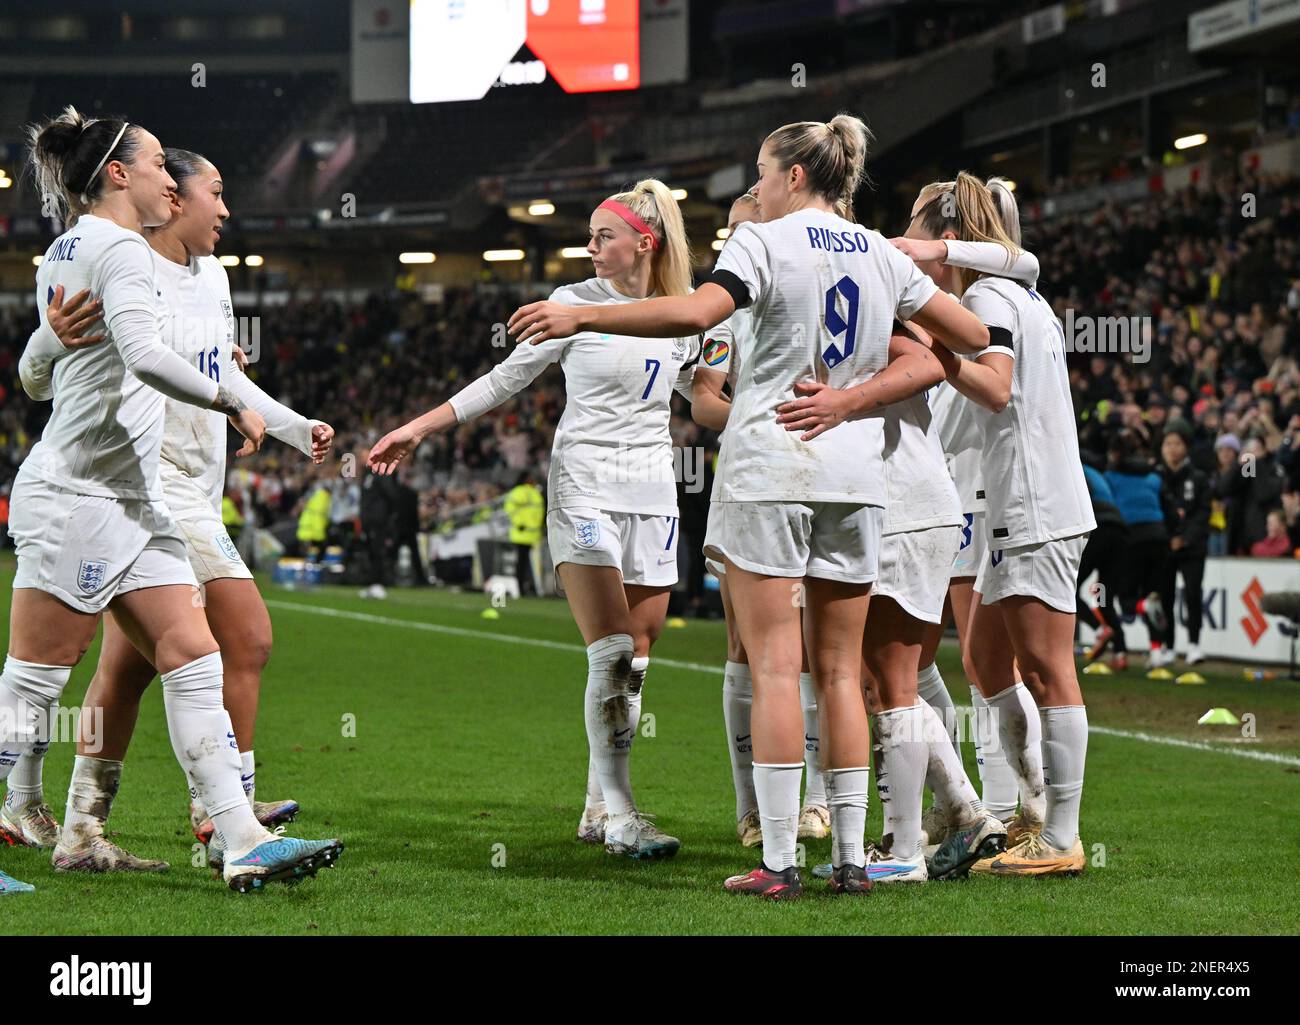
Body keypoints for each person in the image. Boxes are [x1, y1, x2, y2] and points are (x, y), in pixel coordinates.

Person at [508, 116, 989, 898]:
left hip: (771, 468)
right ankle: (851, 860)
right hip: (856, 478)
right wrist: (855, 394)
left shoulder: (762, 240)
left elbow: (698, 314)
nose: (753, 188)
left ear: (794, 176)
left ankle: (778, 861)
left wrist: (582, 313)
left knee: (773, 662)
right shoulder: (876, 250)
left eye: (761, 173)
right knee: (839, 671)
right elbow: (969, 335)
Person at [2, 107, 340, 894]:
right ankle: (35, 809)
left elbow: (37, 368)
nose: (168, 176)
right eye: (159, 164)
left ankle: (240, 833)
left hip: (134, 497)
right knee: (36, 680)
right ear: (119, 174)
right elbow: (147, 357)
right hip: (80, 494)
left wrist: (233, 385)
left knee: (196, 655)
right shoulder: (116, 249)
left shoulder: (71, 249)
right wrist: (230, 398)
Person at [369, 179, 702, 860]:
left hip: (652, 492)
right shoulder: (572, 303)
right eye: (588, 235)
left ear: (645, 241)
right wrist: (420, 426)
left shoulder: (687, 314)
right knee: (609, 651)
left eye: (601, 235)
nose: (589, 246)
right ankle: (622, 813)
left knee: (636, 660)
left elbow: (706, 398)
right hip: (583, 482)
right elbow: (504, 379)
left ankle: (595, 803)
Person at [899, 170, 1095, 876]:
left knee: (1047, 666)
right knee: (986, 662)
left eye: (916, 225)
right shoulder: (1010, 284)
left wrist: (936, 357)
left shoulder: (987, 296)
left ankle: (1060, 834)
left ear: (942, 238)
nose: (908, 234)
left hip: (1036, 503)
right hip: (1019, 502)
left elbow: (996, 386)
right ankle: (1033, 808)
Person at [692, 189, 832, 849]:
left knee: (821, 643)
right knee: (748, 646)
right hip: (754, 477)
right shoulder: (723, 316)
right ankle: (751, 809)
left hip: (825, 473)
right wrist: (760, 409)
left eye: (744, 227)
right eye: (728, 231)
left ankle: (823, 801)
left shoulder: (813, 281)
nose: (734, 241)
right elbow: (703, 402)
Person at [1106, 432, 1173, 667]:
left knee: (1126, 599)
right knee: (1154, 593)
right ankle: (1156, 655)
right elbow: (1169, 508)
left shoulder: (1111, 477)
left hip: (1132, 538)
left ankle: (1143, 606)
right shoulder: (1153, 478)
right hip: (1160, 538)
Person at [1158, 419, 1210, 664]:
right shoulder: (1156, 476)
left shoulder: (1199, 478)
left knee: (1192, 595)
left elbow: (1203, 513)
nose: (1171, 448)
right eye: (1167, 443)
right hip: (1165, 547)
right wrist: (1168, 539)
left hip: (1193, 548)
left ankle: (1194, 645)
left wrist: (1185, 538)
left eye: (1177, 443)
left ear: (1186, 447)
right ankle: (1167, 647)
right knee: (1164, 597)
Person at [503, 470, 544, 596]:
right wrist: (519, 523)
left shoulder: (535, 492)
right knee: (522, 563)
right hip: (522, 534)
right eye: (530, 477)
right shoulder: (520, 492)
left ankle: (530, 588)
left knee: (529, 564)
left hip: (533, 535)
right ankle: (520, 589)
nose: (533, 480)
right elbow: (510, 509)